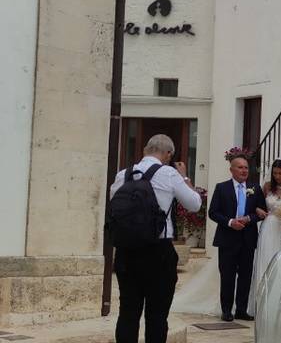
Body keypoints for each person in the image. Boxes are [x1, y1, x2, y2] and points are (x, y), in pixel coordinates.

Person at [109, 134, 201, 343]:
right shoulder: (169, 173)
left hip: (127, 251)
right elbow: (194, 204)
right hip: (158, 251)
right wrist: (185, 177)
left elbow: (113, 204)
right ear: (168, 154)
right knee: (157, 314)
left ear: (145, 149)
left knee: (128, 312)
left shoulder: (123, 174)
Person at [208, 155, 267, 322]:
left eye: (246, 167)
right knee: (227, 275)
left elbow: (261, 212)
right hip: (227, 238)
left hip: (248, 238)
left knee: (245, 275)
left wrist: (249, 219)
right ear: (231, 170)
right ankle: (226, 310)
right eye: (240, 167)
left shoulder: (255, 188)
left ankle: (241, 309)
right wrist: (230, 222)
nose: (244, 170)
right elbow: (213, 212)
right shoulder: (222, 188)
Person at [248, 158, 281, 314]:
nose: (277, 176)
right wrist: (257, 210)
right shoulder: (267, 187)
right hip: (269, 227)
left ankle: (279, 304)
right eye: (275, 173)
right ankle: (261, 303)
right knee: (266, 260)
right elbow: (255, 204)